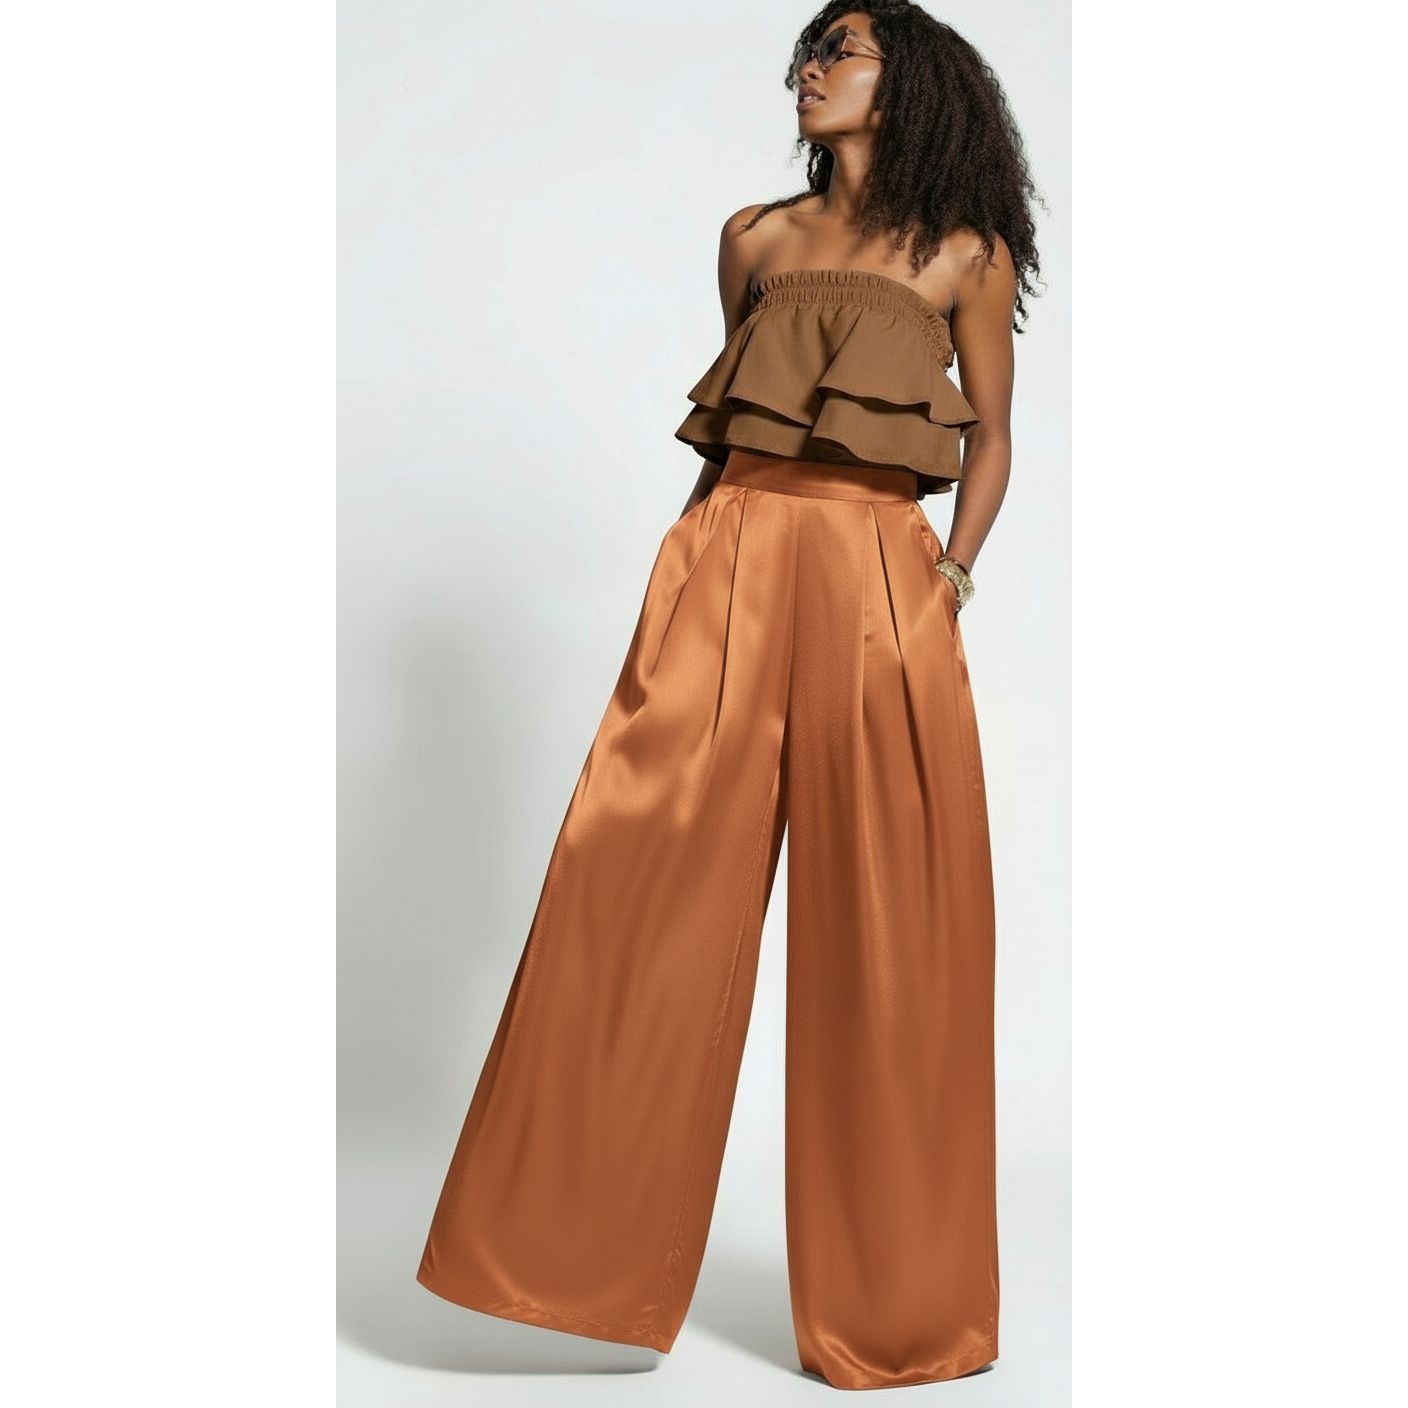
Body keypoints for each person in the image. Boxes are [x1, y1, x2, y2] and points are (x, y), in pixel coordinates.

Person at [416, 2, 1042, 1391]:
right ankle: (560, 1270)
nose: (810, 70)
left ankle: (897, 1311)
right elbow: (739, 426)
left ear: (909, 81)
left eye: (842, 50)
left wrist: (952, 575)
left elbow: (995, 432)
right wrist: (689, 560)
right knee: (629, 882)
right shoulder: (753, 238)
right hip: (730, 558)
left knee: (896, 931)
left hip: (882, 576)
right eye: (807, 52)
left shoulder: (966, 252)